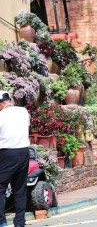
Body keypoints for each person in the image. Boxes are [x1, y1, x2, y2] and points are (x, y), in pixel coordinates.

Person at [0, 91, 30, 227]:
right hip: (23, 152)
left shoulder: (1, 116)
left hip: (7, 153)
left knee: (0, 188)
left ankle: (2, 222)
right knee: (20, 189)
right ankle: (19, 223)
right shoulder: (23, 111)